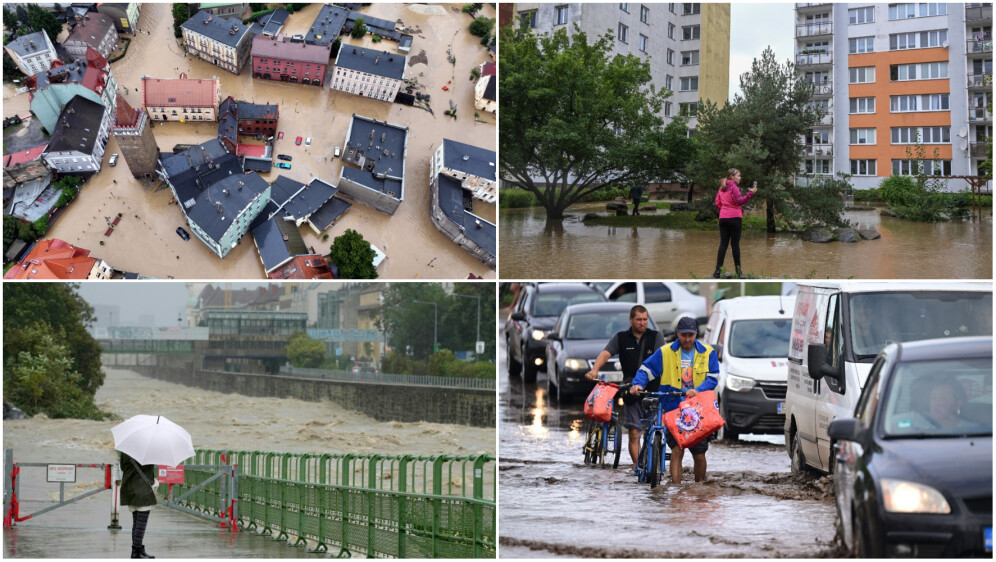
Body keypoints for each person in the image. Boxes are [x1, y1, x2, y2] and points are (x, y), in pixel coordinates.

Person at [630, 316, 719, 484]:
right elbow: (646, 370)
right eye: (683, 335)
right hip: (673, 409)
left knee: (699, 454)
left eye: (690, 335)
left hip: (698, 410)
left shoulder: (708, 352)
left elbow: (713, 378)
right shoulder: (665, 352)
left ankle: (698, 489)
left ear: (695, 335)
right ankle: (677, 490)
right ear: (677, 333)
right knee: (676, 451)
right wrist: (638, 384)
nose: (687, 339)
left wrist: (697, 390)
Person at [584, 305, 666, 466]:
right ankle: (639, 467)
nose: (642, 323)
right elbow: (606, 353)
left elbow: (663, 359)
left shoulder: (656, 337)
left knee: (655, 432)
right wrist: (595, 370)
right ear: (631, 320)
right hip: (630, 391)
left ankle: (653, 465)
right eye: (639, 320)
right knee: (634, 433)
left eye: (645, 319)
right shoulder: (621, 337)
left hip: (653, 391)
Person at [712, 169, 757, 279]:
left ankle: (717, 271)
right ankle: (738, 272)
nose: (740, 177)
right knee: (735, 245)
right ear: (732, 177)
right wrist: (751, 193)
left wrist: (723, 211)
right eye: (738, 175)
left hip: (723, 218)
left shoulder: (722, 187)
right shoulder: (734, 187)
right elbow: (740, 201)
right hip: (735, 217)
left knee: (723, 244)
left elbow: (717, 202)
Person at [120, 452, 157, 558]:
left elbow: (123, 467)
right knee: (141, 524)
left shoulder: (125, 450)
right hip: (142, 489)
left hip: (130, 489)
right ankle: (136, 552)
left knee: (136, 522)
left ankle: (138, 549)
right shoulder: (149, 451)